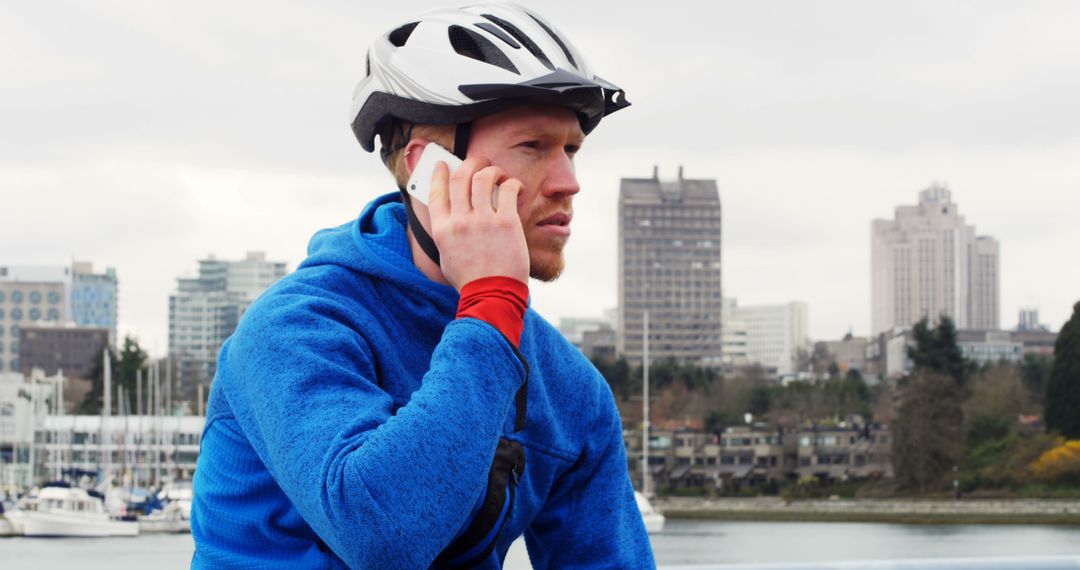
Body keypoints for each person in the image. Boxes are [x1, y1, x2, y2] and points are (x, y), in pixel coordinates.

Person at [191, 3, 654, 568]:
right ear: (430, 168)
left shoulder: (569, 387)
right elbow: (380, 536)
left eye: (572, 150)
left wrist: (493, 308)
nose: (568, 183)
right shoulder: (294, 330)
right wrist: (490, 304)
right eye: (533, 147)